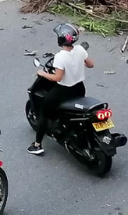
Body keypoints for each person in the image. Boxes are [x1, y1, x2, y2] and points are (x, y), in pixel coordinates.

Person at [28, 23, 93, 156]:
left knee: (44, 113)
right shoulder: (80, 50)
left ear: (61, 39)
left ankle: (37, 145)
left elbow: (57, 77)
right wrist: (79, 62)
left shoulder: (60, 56)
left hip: (63, 91)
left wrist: (42, 73)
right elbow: (91, 65)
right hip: (79, 88)